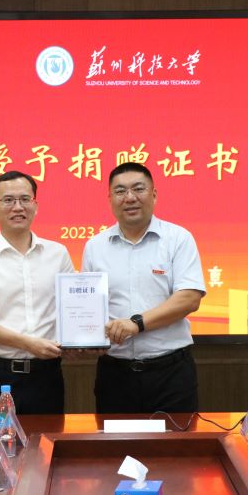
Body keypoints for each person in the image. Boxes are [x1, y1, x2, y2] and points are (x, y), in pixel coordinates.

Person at [82, 162, 206, 413]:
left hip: (170, 373)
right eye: (120, 191)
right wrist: (87, 337)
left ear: (154, 194)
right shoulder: (95, 246)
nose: (130, 198)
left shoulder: (178, 238)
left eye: (138, 189)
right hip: (114, 374)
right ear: (110, 199)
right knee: (115, 439)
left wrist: (136, 323)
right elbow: (89, 307)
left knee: (174, 440)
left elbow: (189, 298)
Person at [0, 170, 75, 414]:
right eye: (8, 200)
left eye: (25, 199)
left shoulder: (58, 253)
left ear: (35, 205)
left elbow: (73, 307)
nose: (18, 207)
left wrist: (79, 341)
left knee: (48, 439)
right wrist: (28, 344)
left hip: (47, 374)